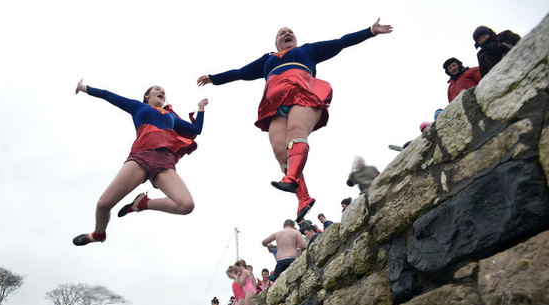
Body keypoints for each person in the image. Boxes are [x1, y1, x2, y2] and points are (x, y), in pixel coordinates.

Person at [197, 19, 392, 222]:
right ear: (276, 42)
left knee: (296, 132)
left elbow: (341, 42)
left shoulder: (308, 51)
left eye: (290, 31)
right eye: (282, 32)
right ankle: (303, 198)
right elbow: (240, 73)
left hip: (302, 94)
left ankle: (291, 178)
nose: (287, 33)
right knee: (280, 150)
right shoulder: (267, 60)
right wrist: (214, 78)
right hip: (275, 105)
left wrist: (370, 31)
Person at [72, 80, 209, 246]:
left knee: (186, 205)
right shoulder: (138, 106)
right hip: (141, 157)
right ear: (147, 95)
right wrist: (84, 88)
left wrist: (201, 108)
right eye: (157, 89)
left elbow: (196, 130)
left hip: (165, 162)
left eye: (164, 91)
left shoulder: (170, 116)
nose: (162, 92)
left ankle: (143, 204)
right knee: (103, 204)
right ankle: (98, 234)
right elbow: (108, 95)